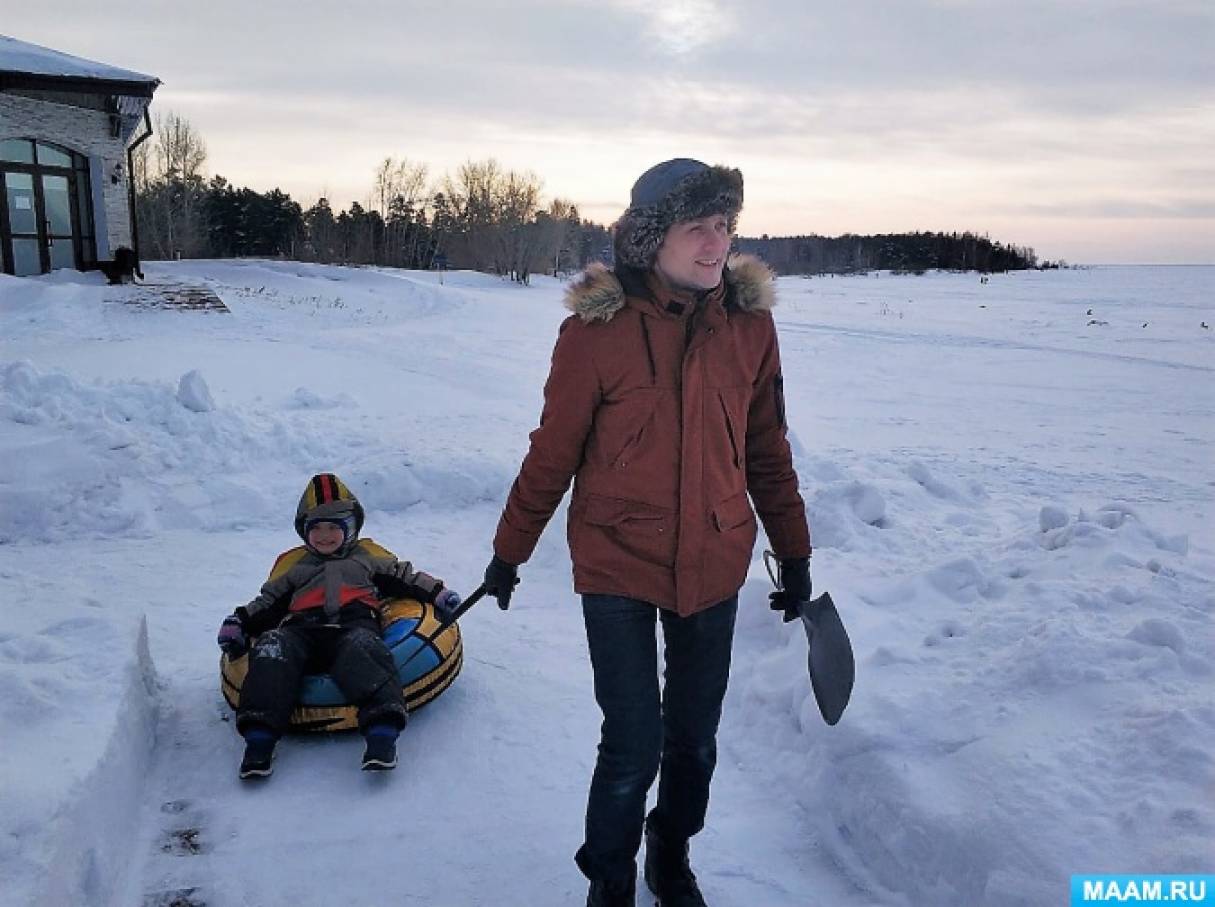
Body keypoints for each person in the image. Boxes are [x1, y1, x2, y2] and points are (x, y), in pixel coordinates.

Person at [482, 159, 813, 906]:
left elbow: (766, 449)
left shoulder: (750, 330)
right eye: (697, 226)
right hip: (616, 559)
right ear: (650, 238)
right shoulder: (595, 334)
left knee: (692, 742)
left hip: (715, 554)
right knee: (631, 740)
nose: (714, 243)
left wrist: (793, 552)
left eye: (723, 225)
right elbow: (552, 452)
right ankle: (609, 878)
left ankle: (669, 849)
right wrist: (509, 553)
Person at [217, 473, 461, 779]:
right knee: (272, 649)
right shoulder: (296, 566)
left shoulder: (367, 558)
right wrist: (239, 621)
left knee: (364, 651)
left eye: (334, 527)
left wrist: (440, 594)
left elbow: (406, 578)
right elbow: (268, 602)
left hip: (353, 625)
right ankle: (259, 741)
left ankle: (381, 735)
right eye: (315, 528)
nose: (324, 536)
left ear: (351, 528)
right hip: (300, 629)